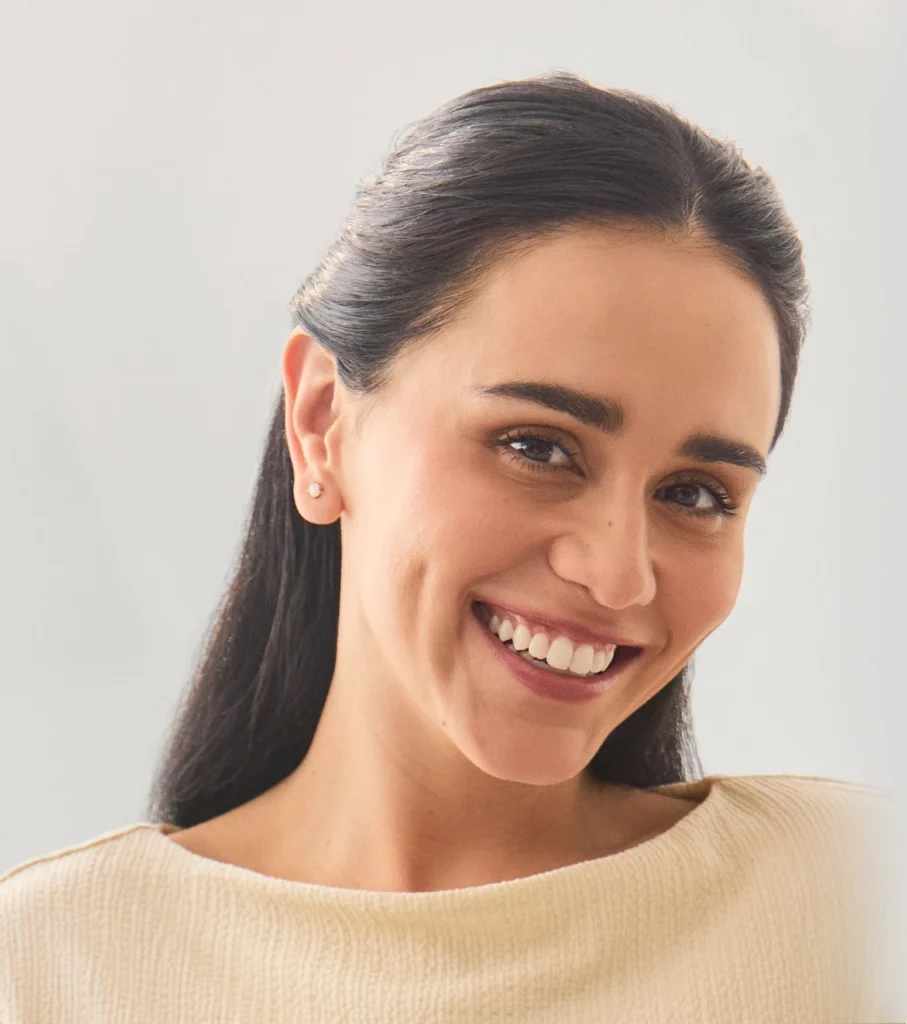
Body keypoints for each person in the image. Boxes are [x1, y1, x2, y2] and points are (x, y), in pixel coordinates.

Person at [0, 71, 894, 1023]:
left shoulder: (861, 905)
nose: (616, 571)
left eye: (694, 493)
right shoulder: (49, 969)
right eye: (536, 447)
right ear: (320, 423)